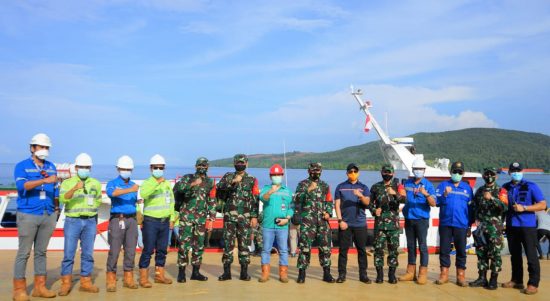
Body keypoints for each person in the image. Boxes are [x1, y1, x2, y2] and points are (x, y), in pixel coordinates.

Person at [12, 133, 58, 301]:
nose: (44, 150)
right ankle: (19, 290)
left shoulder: (51, 166)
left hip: (48, 213)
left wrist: (56, 209)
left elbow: (56, 189)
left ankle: (40, 287)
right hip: (28, 214)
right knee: (23, 253)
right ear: (32, 148)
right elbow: (22, 186)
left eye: (47, 147)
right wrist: (44, 181)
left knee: (41, 252)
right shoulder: (21, 166)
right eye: (41, 147)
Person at [58, 153, 102, 296]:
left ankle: (86, 281)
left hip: (90, 221)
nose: (85, 169)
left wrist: (93, 207)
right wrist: (75, 188)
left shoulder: (95, 183)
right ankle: (65, 283)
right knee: (69, 253)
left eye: (87, 167)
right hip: (73, 221)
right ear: (76, 167)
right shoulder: (67, 183)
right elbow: (63, 199)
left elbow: (98, 199)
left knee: (88, 253)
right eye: (82, 167)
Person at [502, 162, 546, 295]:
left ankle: (533, 283)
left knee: (531, 256)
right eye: (513, 170)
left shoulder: (531, 186)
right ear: (509, 173)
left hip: (527, 226)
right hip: (511, 226)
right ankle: (516, 280)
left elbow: (543, 205)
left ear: (523, 171)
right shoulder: (505, 187)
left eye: (518, 170)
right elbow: (503, 206)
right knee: (514, 256)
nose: (516, 172)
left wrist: (525, 208)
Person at [216, 154, 260, 281]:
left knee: (244, 245)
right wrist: (232, 181)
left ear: (246, 164)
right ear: (234, 163)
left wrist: (254, 216)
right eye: (238, 162)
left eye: (242, 162)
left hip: (245, 218)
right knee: (228, 245)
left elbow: (255, 199)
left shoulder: (252, 179)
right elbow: (219, 189)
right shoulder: (228, 176)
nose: (240, 164)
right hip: (230, 217)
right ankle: (227, 273)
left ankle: (244, 273)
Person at [173, 157, 216, 283]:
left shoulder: (209, 182)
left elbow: (211, 200)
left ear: (208, 167)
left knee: (199, 246)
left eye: (204, 165)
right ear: (195, 166)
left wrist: (212, 218)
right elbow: (179, 188)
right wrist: (193, 184)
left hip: (201, 219)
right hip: (186, 217)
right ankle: (181, 272)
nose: (202, 167)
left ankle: (195, 272)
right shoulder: (188, 177)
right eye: (200, 165)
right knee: (184, 245)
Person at [293, 162, 335, 284]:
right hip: (307, 222)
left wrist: (328, 212)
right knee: (304, 248)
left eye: (317, 170)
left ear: (321, 171)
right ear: (308, 171)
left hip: (322, 222)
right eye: (313, 170)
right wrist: (307, 190)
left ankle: (326, 273)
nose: (315, 172)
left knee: (325, 248)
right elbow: (296, 199)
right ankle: (302, 274)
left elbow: (329, 201)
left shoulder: (325, 185)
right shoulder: (302, 184)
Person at [138, 154, 175, 287]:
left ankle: (159, 275)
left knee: (162, 250)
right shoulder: (148, 182)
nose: (158, 169)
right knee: (148, 249)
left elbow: (171, 201)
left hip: (164, 222)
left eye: (161, 167)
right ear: (151, 168)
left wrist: (172, 218)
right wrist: (156, 182)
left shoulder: (167, 184)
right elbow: (144, 194)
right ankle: (143, 278)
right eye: (156, 167)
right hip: (151, 221)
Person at [435, 161, 474, 287]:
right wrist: (445, 194)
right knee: (444, 250)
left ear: (463, 173)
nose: (457, 174)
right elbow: (436, 202)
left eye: (459, 172)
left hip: (461, 224)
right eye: (455, 171)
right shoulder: (443, 185)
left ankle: (460, 275)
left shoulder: (467, 188)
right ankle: (444, 274)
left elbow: (471, 209)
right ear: (450, 172)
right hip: (445, 223)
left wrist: (469, 226)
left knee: (461, 251)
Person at [468, 167, 507, 290]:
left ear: (496, 176)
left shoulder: (501, 190)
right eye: (487, 173)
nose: (489, 176)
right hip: (481, 229)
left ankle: (493, 279)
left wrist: (492, 198)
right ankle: (482, 278)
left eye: (492, 174)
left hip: (495, 229)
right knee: (481, 253)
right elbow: (474, 208)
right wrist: (471, 224)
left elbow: (505, 207)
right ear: (483, 175)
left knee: (495, 254)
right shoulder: (479, 191)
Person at [105, 155, 139, 292]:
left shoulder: (133, 184)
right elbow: (112, 193)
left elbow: (134, 201)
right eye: (124, 168)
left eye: (129, 169)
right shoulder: (112, 183)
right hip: (117, 219)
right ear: (118, 169)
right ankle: (111, 277)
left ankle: (128, 277)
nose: (126, 170)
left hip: (132, 220)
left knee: (131, 250)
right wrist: (130, 190)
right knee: (114, 250)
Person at [400, 158, 436, 285]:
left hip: (421, 219)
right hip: (409, 218)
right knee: (410, 246)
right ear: (413, 170)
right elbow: (404, 198)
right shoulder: (408, 183)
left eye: (420, 169)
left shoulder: (428, 185)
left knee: (422, 246)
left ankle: (422, 273)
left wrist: (426, 194)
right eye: (416, 169)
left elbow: (433, 203)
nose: (418, 171)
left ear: (424, 170)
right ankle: (410, 272)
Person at [334, 163, 371, 284]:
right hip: (345, 225)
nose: (353, 173)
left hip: (360, 224)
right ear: (347, 173)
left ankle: (363, 275)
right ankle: (342, 275)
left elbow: (367, 203)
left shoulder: (364, 187)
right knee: (343, 251)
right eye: (351, 172)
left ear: (358, 173)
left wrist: (360, 196)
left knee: (361, 251)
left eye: (355, 171)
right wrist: (340, 220)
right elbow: (337, 205)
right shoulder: (340, 186)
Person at [370, 164, 406, 284]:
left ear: (393, 173)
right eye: (385, 172)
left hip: (393, 225)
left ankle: (391, 275)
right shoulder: (375, 187)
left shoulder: (398, 186)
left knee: (393, 250)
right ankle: (379, 275)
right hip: (380, 224)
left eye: (389, 172)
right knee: (378, 249)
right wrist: (374, 210)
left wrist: (395, 193)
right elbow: (370, 203)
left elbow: (405, 200)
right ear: (381, 172)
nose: (387, 174)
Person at [258, 164, 293, 283]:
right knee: (266, 249)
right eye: (274, 175)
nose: (276, 176)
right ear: (270, 176)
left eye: (278, 174)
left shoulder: (287, 191)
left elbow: (290, 207)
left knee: (283, 250)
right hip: (268, 225)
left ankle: (283, 274)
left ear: (282, 176)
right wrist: (271, 191)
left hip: (282, 226)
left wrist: (287, 219)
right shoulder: (265, 188)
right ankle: (265, 273)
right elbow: (263, 198)